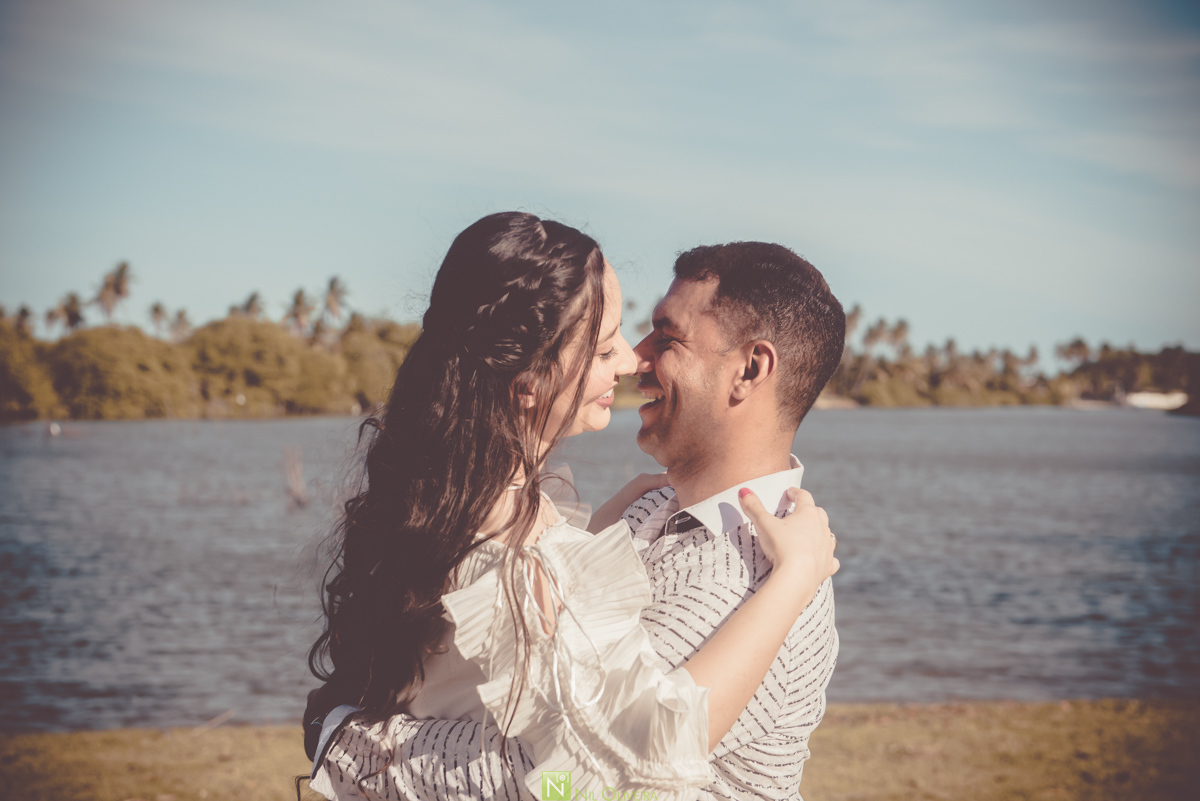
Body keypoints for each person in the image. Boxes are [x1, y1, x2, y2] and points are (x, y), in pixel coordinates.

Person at [303, 214, 840, 800]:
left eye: (667, 336)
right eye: (608, 343)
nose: (636, 358)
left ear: (750, 370)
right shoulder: (631, 515)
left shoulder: (756, 579)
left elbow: (586, 785)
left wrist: (349, 743)